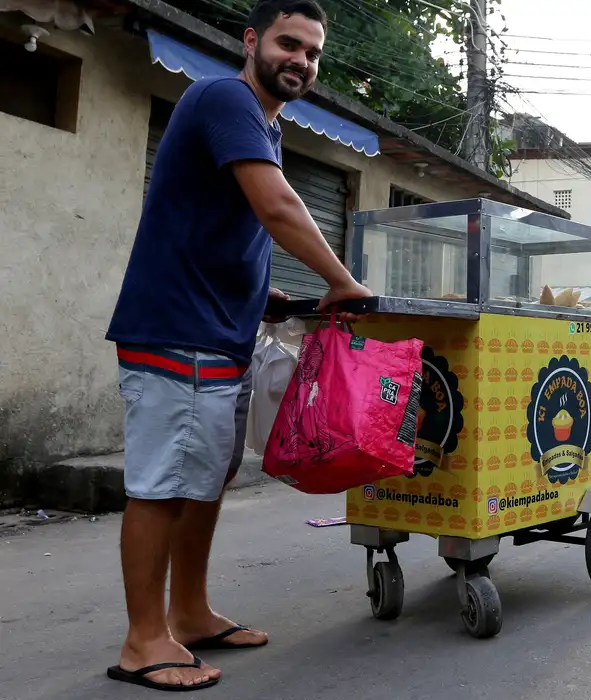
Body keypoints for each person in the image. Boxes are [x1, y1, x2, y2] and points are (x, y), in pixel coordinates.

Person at [103, 0, 372, 691]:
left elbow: (218, 229)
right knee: (164, 486)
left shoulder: (264, 128)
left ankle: (188, 613)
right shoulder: (226, 96)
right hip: (178, 331)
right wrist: (343, 282)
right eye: (289, 44)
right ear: (251, 41)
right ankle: (143, 640)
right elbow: (277, 207)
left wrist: (263, 298)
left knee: (205, 481)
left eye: (312, 54)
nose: (301, 62)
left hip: (221, 330)